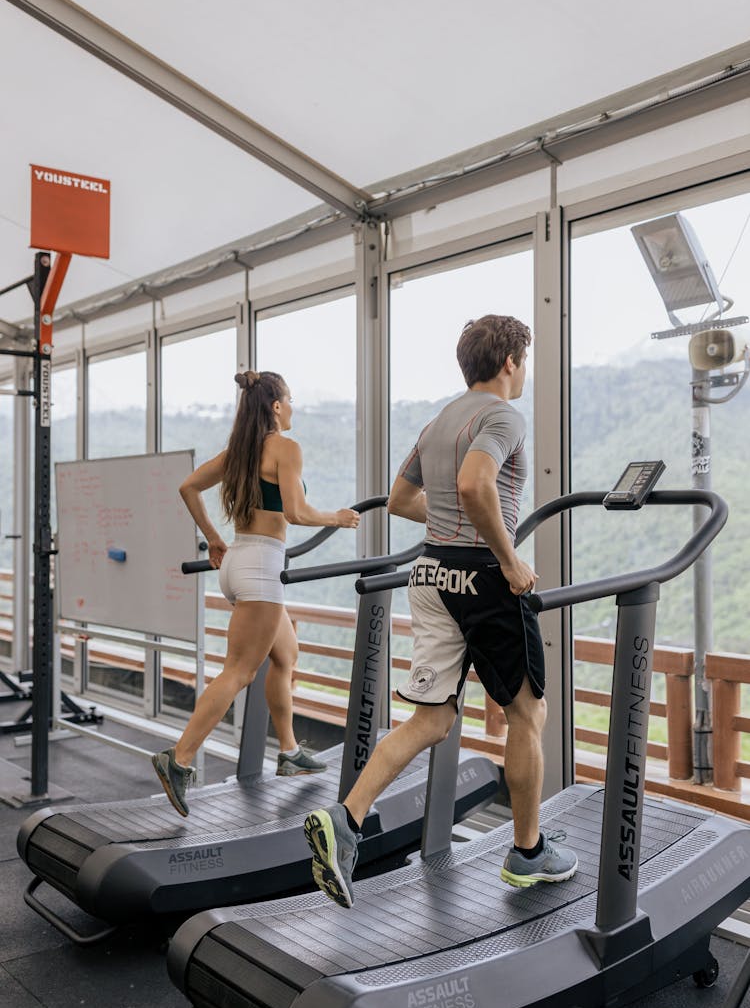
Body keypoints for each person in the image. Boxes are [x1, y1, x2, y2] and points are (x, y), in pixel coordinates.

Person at [304, 314, 578, 907]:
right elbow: (478, 485)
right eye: (523, 360)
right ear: (510, 362)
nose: (524, 370)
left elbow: (401, 499)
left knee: (431, 719)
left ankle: (345, 822)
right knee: (528, 712)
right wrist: (506, 558)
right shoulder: (502, 415)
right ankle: (528, 853)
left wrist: (452, 530)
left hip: (431, 573)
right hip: (481, 576)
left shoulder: (438, 421)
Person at [151, 369, 359, 817]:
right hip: (263, 568)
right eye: (292, 399)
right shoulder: (285, 448)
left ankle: (287, 751)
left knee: (285, 654)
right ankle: (179, 758)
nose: (294, 407)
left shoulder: (239, 453)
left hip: (238, 561)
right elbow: (297, 512)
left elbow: (187, 486)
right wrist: (336, 518)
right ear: (278, 406)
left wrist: (213, 539)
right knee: (239, 671)